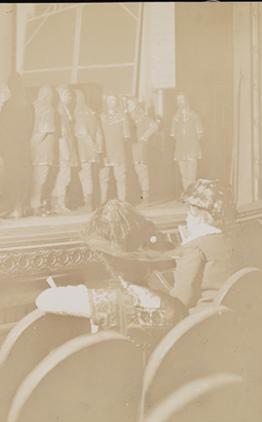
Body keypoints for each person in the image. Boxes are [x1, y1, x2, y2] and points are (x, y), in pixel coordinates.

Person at [35, 199, 186, 351]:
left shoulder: (106, 302)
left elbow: (44, 299)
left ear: (108, 262)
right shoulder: (175, 306)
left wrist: (85, 292)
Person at [169, 178, 238, 310]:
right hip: (230, 313)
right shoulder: (231, 239)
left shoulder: (193, 247)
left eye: (189, 210)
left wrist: (187, 247)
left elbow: (180, 300)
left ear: (198, 213)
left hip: (202, 317)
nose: (187, 217)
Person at [0, 72, 33, 219]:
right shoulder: (28, 104)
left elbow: (0, 124)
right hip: (24, 146)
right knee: (22, 177)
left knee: (13, 177)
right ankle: (21, 207)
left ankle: (16, 209)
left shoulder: (9, 104)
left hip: (11, 147)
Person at [30, 85, 58, 216]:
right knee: (41, 178)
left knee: (37, 178)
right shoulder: (48, 109)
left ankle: (38, 203)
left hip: (35, 146)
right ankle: (36, 205)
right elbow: (44, 130)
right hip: (43, 148)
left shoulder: (33, 106)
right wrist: (32, 145)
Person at [52, 85, 80, 213]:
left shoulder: (65, 109)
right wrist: (66, 151)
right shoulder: (60, 110)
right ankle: (59, 203)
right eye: (66, 94)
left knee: (65, 174)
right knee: (63, 174)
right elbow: (62, 133)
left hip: (67, 146)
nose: (70, 97)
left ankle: (60, 202)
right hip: (64, 147)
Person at [73, 88, 102, 209]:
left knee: (85, 175)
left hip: (83, 149)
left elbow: (83, 132)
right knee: (89, 175)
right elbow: (98, 132)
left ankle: (88, 202)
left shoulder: (79, 112)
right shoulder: (91, 112)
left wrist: (92, 146)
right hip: (91, 148)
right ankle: (91, 201)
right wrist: (98, 147)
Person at [126, 96, 159, 204]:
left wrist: (145, 136)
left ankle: (145, 197)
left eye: (131, 104)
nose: (129, 106)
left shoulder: (142, 117)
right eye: (128, 104)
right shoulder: (126, 117)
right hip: (128, 149)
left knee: (142, 172)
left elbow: (154, 126)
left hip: (139, 148)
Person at [99, 94, 130, 203]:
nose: (111, 102)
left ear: (116, 102)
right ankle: (102, 202)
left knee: (120, 177)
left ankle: (122, 201)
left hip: (118, 151)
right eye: (109, 100)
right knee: (103, 177)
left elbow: (126, 135)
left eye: (113, 100)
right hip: (105, 151)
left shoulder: (122, 116)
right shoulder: (101, 116)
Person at [170, 92, 203, 191]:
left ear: (186, 100)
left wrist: (191, 141)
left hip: (192, 149)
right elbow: (173, 134)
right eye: (178, 100)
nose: (180, 102)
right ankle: (187, 193)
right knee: (184, 174)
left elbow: (200, 133)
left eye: (182, 99)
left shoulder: (194, 116)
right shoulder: (175, 118)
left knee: (191, 174)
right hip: (181, 150)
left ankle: (191, 194)